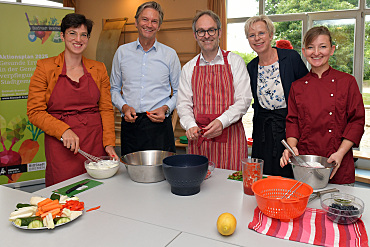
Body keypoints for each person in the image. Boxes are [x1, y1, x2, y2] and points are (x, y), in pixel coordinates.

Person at [27, 13, 118, 187]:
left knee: (97, 192)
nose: (78, 39)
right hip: (61, 144)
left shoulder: (99, 69)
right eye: (72, 33)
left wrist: (108, 144)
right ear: (62, 35)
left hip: (94, 141)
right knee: (64, 194)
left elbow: (105, 109)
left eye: (83, 35)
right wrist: (63, 130)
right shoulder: (44, 68)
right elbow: (34, 111)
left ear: (88, 38)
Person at [280, 26, 365, 185]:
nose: (316, 52)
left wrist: (340, 154)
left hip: (338, 163)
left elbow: (357, 121)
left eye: (323, 46)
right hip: (306, 165)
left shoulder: (347, 82)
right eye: (311, 47)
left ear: (332, 50)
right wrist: (291, 148)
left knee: (339, 208)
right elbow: (292, 121)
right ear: (304, 52)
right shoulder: (297, 86)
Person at [177, 10, 252, 171]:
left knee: (231, 188)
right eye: (201, 31)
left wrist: (222, 121)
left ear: (219, 32)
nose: (206, 35)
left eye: (211, 30)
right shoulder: (188, 68)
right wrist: (190, 125)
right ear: (195, 35)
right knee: (199, 187)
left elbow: (244, 100)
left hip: (231, 139)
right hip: (199, 140)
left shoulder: (235, 62)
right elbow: (183, 104)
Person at [110, 1, 181, 156]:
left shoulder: (170, 55)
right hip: (131, 124)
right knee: (131, 174)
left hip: (160, 126)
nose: (149, 24)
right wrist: (124, 107)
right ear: (136, 22)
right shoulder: (121, 52)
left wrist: (166, 108)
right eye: (145, 19)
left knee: (164, 174)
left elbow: (179, 92)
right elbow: (114, 89)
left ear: (159, 26)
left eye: (154, 21)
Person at [245, 15, 308, 178]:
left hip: (288, 128)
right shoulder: (251, 67)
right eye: (252, 35)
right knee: (263, 178)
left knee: (287, 176)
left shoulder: (291, 58)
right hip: (262, 131)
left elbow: (306, 90)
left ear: (271, 35)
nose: (257, 38)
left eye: (261, 33)